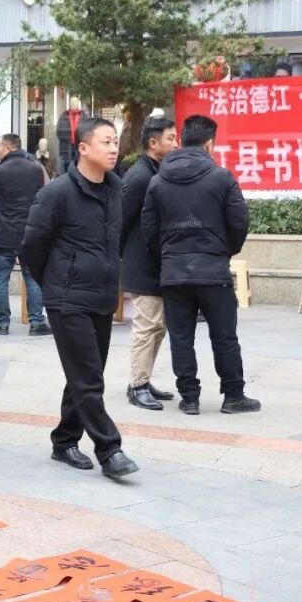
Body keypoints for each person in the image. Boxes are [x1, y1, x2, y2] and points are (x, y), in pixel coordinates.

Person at [21, 117, 138, 479]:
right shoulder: (57, 193)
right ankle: (110, 450)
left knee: (85, 373)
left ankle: (64, 439)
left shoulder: (116, 190)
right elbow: (31, 247)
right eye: (106, 142)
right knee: (89, 379)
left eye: (115, 141)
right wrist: (55, 284)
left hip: (101, 296)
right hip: (67, 298)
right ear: (83, 148)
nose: (114, 148)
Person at [142, 115, 261, 416]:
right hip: (213, 271)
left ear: (181, 141)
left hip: (174, 273)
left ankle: (190, 398)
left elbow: (149, 228)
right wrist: (224, 251)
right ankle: (233, 396)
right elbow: (239, 222)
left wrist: (167, 254)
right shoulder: (222, 177)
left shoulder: (158, 181)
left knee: (181, 338)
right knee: (224, 337)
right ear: (209, 144)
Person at [120, 117, 179, 411]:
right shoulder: (139, 177)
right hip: (140, 263)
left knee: (159, 327)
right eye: (170, 138)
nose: (176, 144)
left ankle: (143, 378)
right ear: (153, 143)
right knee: (147, 326)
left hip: (157, 263)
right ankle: (137, 385)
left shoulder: (157, 172)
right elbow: (119, 221)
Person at [0, 134, 50, 337]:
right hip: (28, 231)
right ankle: (36, 322)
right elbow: (41, 195)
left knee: (0, 278)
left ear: (7, 147)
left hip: (4, 232)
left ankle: (2, 323)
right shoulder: (35, 168)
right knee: (32, 277)